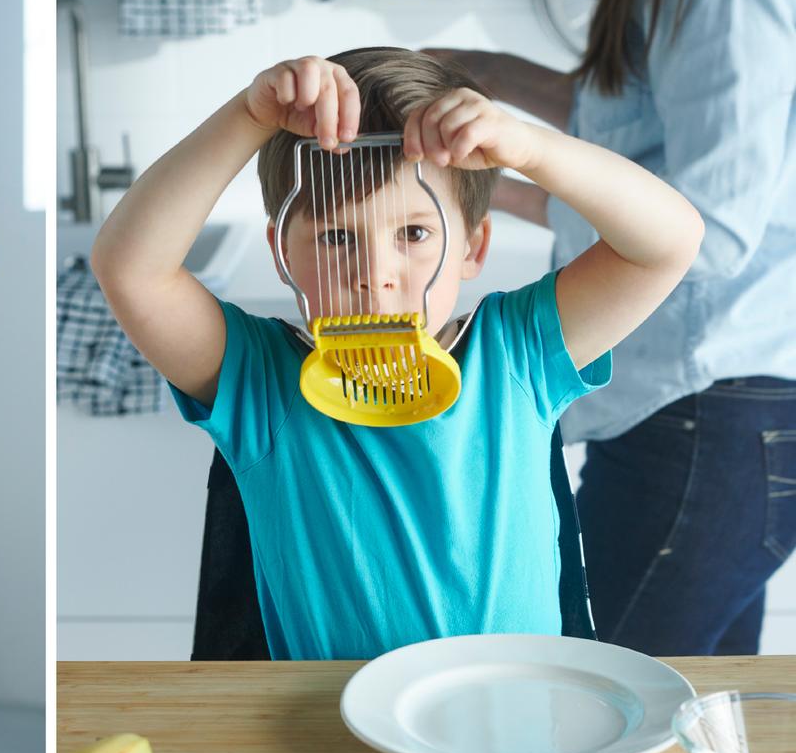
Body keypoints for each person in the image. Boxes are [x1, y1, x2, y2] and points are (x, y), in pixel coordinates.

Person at [90, 46, 702, 660]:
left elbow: (668, 242)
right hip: (332, 737)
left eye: (413, 234)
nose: (375, 275)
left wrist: (531, 149)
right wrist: (249, 117)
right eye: (335, 236)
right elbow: (131, 269)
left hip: (516, 731)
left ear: (473, 246)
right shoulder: (259, 382)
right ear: (280, 252)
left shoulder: (520, 353)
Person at [430, 0, 796, 655]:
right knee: (700, 723)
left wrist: (503, 165)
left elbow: (705, 231)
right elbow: (631, 124)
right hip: (694, 409)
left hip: (706, 415)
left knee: (602, 701)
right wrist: (474, 83)